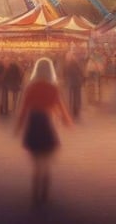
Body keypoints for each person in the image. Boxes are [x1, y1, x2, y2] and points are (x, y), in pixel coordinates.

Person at [16, 57, 71, 206]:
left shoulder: (31, 87)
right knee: (46, 162)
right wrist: (67, 121)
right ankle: (44, 195)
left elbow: (24, 108)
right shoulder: (53, 88)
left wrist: (18, 126)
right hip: (47, 122)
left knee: (36, 163)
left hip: (34, 122)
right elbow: (60, 107)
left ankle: (35, 195)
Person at [64, 54, 85, 120]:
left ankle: (72, 111)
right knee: (77, 97)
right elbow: (81, 72)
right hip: (76, 82)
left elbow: (64, 73)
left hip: (72, 83)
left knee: (71, 97)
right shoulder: (76, 64)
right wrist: (83, 79)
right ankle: (76, 111)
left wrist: (65, 80)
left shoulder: (67, 65)